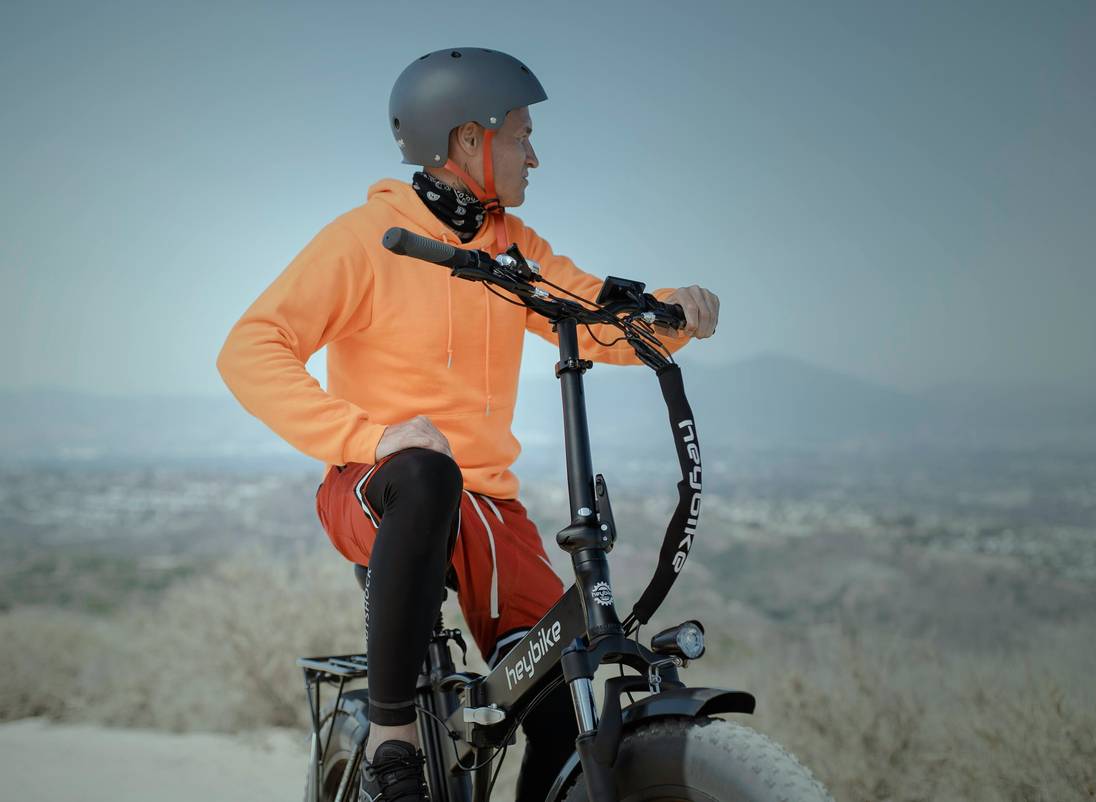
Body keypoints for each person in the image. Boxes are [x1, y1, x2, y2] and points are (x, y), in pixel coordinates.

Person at [216, 47, 719, 802]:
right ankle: (391, 746)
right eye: (522, 136)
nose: (534, 157)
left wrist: (672, 310)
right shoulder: (366, 237)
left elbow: (593, 315)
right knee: (428, 471)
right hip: (380, 489)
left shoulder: (512, 247)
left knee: (564, 698)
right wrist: (367, 437)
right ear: (469, 139)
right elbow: (251, 348)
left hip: (489, 514)